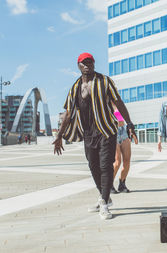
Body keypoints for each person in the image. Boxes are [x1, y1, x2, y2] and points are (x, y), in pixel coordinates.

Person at [53, 52, 137, 220]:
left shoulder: (104, 81)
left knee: (106, 166)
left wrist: (129, 123)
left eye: (90, 62)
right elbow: (68, 113)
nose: (87, 65)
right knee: (93, 166)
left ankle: (104, 203)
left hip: (106, 130)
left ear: (94, 64)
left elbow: (118, 102)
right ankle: (104, 196)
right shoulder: (76, 87)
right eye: (84, 63)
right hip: (88, 133)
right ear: (78, 65)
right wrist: (60, 136)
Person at [110, 106, 138, 194]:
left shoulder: (118, 103)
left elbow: (123, 118)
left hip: (124, 131)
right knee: (117, 161)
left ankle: (122, 184)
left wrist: (132, 131)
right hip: (113, 132)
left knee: (127, 160)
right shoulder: (104, 103)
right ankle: (109, 184)